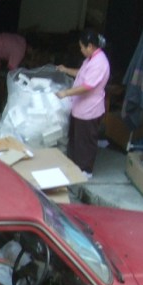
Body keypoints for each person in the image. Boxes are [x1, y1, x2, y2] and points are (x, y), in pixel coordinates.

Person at [56, 30, 110, 177]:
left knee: (85, 142)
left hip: (89, 110)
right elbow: (81, 73)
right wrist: (65, 70)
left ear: (90, 46)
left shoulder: (100, 63)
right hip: (80, 108)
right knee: (77, 141)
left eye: (82, 47)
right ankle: (75, 167)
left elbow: (87, 86)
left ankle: (86, 170)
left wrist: (66, 93)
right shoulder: (91, 59)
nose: (80, 50)